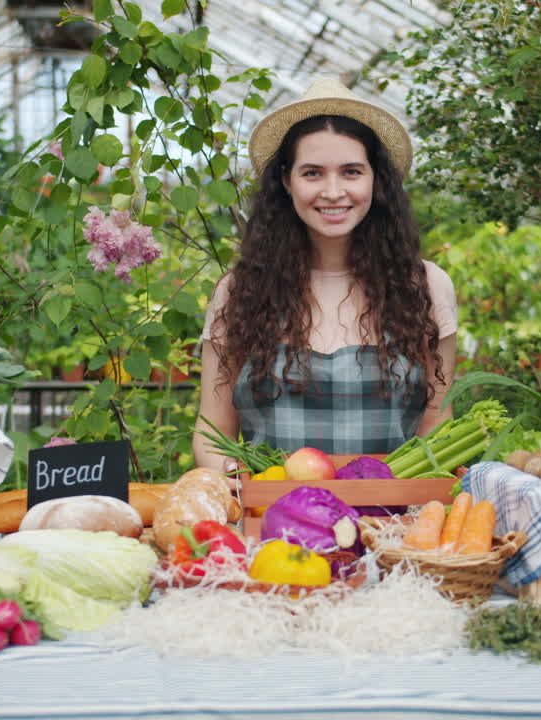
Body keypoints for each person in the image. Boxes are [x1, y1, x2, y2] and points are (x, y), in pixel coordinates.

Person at [192, 77, 458, 472]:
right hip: (271, 524)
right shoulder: (240, 291)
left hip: (389, 524)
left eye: (351, 172)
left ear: (375, 180)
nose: (333, 192)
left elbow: (437, 425)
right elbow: (213, 431)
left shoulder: (424, 286)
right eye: (313, 173)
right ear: (286, 181)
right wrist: (243, 489)